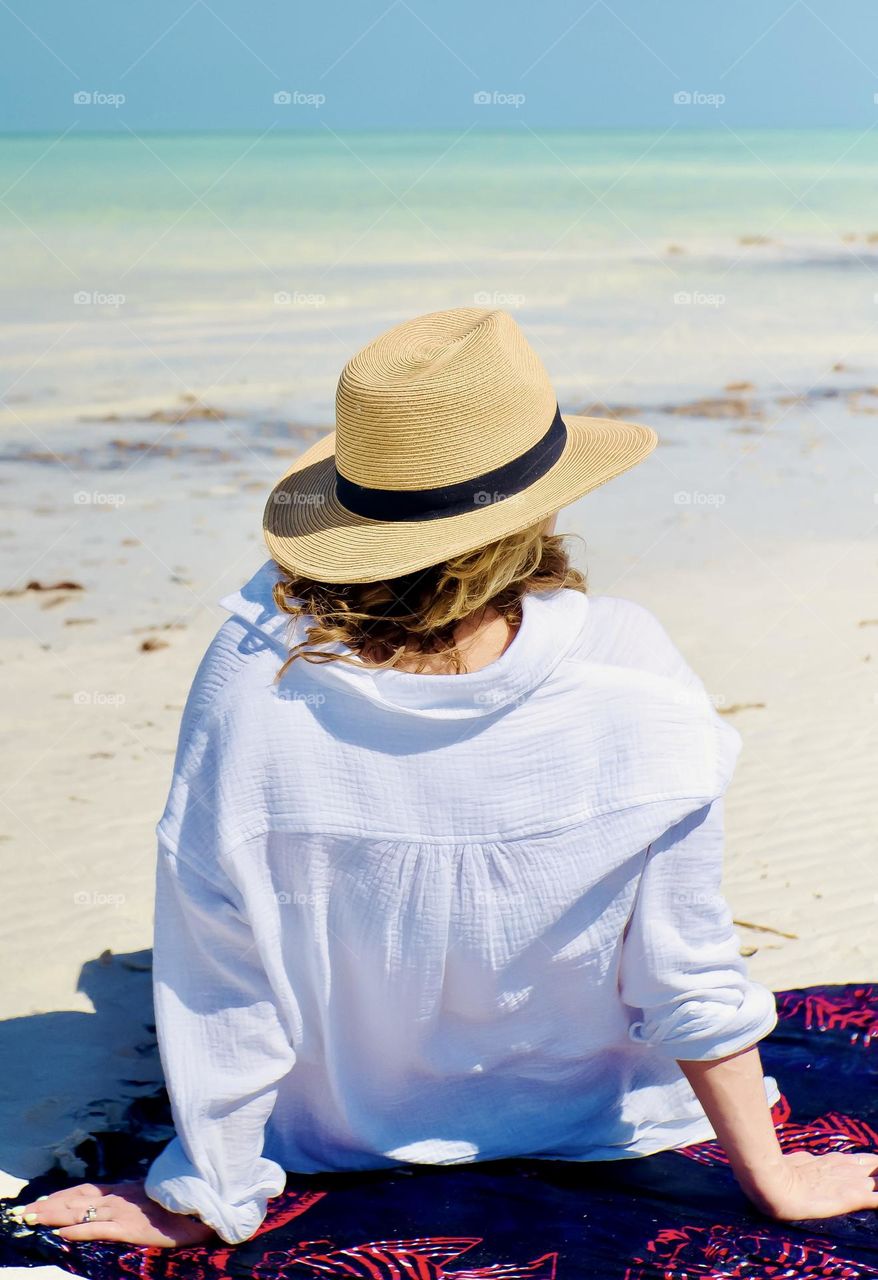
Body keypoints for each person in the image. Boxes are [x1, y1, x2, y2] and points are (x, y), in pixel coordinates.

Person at [16, 308, 878, 1248]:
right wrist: (772, 1179)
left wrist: (211, 1193)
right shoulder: (631, 670)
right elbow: (687, 964)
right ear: (539, 504)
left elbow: (221, 963)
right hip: (597, 1123)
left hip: (334, 1134)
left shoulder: (256, 678)